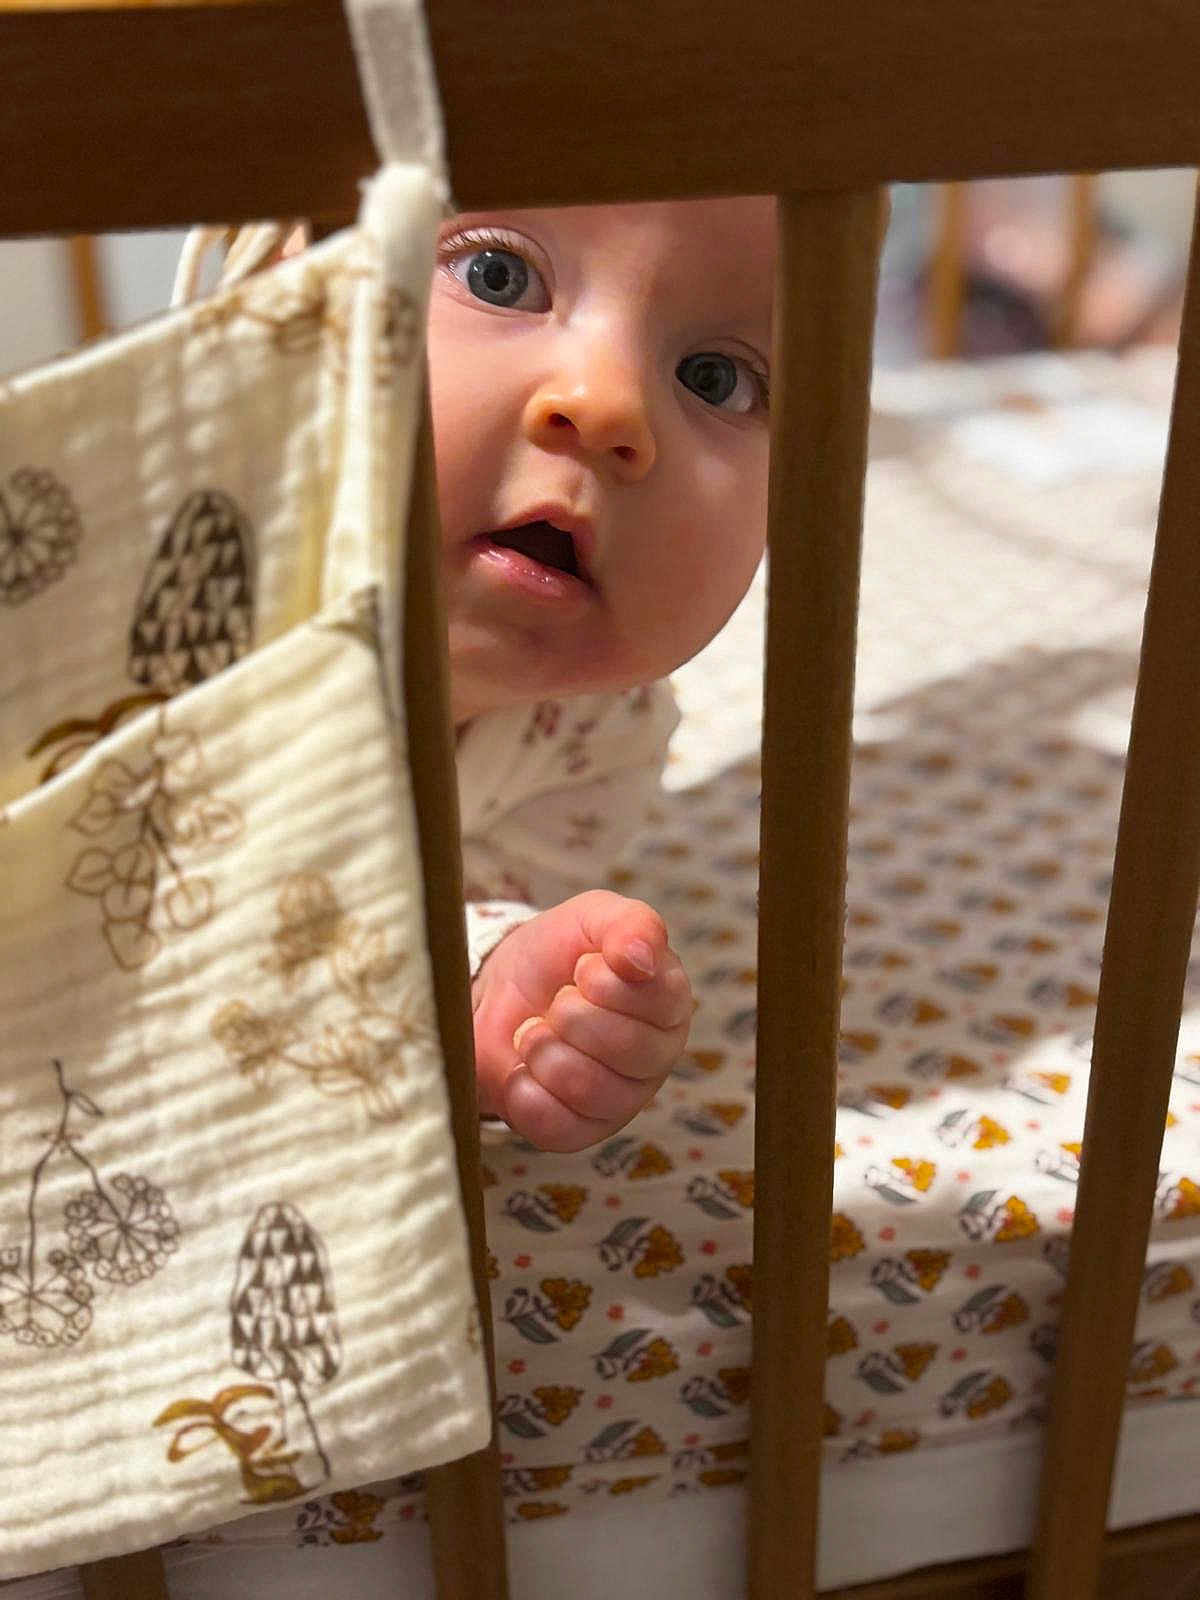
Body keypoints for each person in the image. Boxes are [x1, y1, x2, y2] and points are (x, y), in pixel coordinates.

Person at [427, 198, 775, 1153]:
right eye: (497, 274)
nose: (609, 402)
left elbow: (405, 928)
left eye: (716, 378)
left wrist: (493, 983)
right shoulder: (129, 615)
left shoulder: (596, 739)